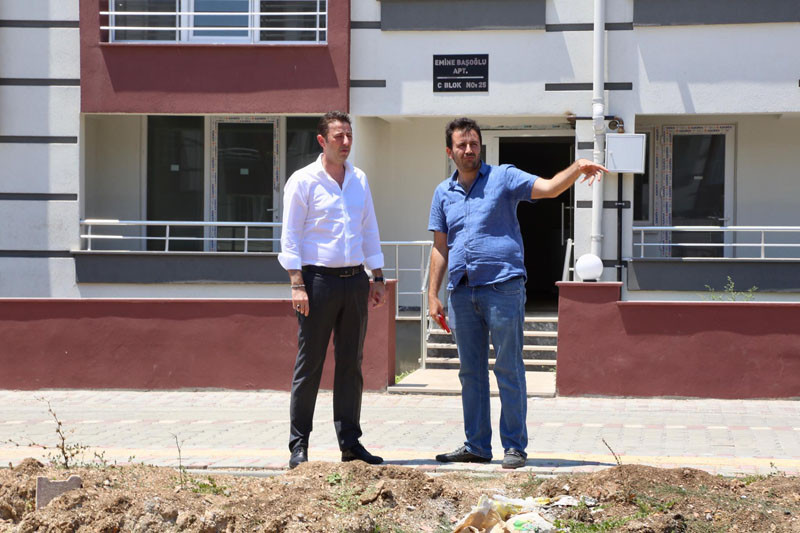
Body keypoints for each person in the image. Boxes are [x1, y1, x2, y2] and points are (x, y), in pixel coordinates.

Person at [428, 117, 607, 469]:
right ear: (450, 151)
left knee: (508, 368)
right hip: (461, 292)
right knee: (470, 373)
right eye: (462, 145)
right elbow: (440, 246)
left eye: (474, 144)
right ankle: (477, 445)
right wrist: (433, 294)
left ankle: (514, 446)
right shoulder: (442, 193)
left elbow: (550, 188)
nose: (469, 150)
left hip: (503, 288)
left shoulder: (503, 177)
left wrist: (577, 167)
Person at [278, 111, 386, 469]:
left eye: (349, 135)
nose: (346, 142)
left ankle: (350, 443)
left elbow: (369, 228)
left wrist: (378, 276)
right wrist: (297, 284)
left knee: (351, 364)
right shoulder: (303, 181)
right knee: (310, 364)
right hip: (317, 282)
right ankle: (299, 446)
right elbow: (291, 236)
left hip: (355, 281)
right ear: (322, 141)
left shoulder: (360, 179)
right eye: (339, 136)